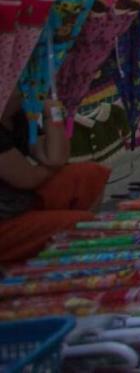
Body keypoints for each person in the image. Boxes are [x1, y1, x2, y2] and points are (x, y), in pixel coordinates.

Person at [0, 94, 110, 262]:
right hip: (6, 218)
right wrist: (50, 167)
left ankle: (62, 254)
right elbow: (28, 178)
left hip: (18, 199)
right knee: (81, 223)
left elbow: (56, 158)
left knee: (91, 174)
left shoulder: (14, 115)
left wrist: (53, 113)